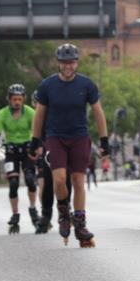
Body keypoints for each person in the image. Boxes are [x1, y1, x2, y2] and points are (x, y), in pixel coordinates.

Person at [30, 43, 110, 247]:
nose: (68, 66)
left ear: (77, 63)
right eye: (64, 62)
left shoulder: (87, 85)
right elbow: (39, 115)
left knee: (78, 181)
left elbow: (98, 113)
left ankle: (80, 223)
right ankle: (64, 212)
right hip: (55, 137)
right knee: (58, 179)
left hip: (79, 137)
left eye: (71, 62)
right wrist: (35, 140)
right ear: (59, 63)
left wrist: (104, 141)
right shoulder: (47, 85)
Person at [0, 84, 38, 234]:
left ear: (24, 100)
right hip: (11, 151)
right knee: (13, 183)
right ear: (9, 100)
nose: (17, 102)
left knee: (29, 179)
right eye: (14, 99)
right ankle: (15, 214)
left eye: (20, 99)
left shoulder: (30, 112)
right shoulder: (2, 114)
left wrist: (38, 151)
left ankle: (33, 208)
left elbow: (36, 134)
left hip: (28, 149)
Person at [31, 90, 71, 234]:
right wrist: (38, 147)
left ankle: (66, 207)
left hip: (61, 147)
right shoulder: (36, 117)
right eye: (37, 103)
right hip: (45, 150)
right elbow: (37, 135)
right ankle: (46, 215)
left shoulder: (55, 114)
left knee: (64, 178)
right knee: (47, 182)